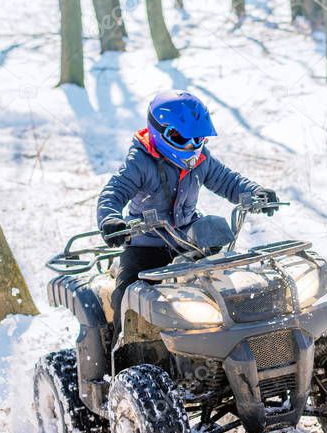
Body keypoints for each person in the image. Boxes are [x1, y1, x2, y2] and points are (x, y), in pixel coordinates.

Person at [97, 91, 277, 338]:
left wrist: (255, 192)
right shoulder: (140, 161)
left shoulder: (201, 159)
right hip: (146, 245)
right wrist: (110, 219)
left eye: (198, 138)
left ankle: (246, 338)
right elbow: (114, 192)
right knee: (127, 295)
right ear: (160, 132)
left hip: (189, 241)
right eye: (182, 138)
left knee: (231, 286)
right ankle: (123, 353)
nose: (192, 146)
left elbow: (228, 181)